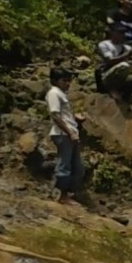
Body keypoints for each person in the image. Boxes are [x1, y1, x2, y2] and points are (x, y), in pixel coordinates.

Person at [46, 68, 85, 206]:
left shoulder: (61, 94)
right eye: (64, 80)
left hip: (69, 133)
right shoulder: (54, 93)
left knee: (78, 167)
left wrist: (76, 121)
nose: (67, 83)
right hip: (63, 134)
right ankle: (62, 196)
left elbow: (63, 115)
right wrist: (70, 132)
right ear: (55, 81)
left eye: (69, 81)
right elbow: (55, 115)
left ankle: (69, 193)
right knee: (65, 165)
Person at [97, 26, 132, 101]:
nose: (122, 35)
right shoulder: (104, 44)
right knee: (124, 66)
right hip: (107, 76)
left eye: (123, 33)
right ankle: (112, 90)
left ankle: (126, 94)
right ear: (113, 33)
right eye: (119, 33)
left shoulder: (126, 47)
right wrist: (128, 54)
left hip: (122, 77)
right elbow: (110, 60)